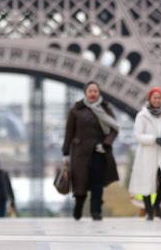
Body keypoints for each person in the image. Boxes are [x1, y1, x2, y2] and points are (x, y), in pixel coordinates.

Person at [62, 81, 120, 221]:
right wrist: (65, 152)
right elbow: (69, 132)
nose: (93, 93)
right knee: (80, 182)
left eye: (95, 91)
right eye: (90, 91)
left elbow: (115, 128)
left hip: (99, 151)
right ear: (85, 93)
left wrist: (106, 144)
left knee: (97, 182)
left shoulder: (105, 109)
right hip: (80, 152)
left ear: (99, 93)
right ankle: (78, 208)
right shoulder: (76, 110)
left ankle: (96, 211)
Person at [128, 87, 161, 220]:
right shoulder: (142, 115)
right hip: (147, 152)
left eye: (159, 97)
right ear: (150, 99)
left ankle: (156, 206)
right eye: (154, 97)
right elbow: (137, 135)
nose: (157, 100)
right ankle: (149, 210)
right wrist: (154, 139)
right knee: (146, 181)